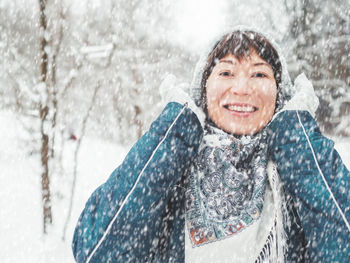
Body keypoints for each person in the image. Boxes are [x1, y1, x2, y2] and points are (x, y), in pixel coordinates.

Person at [72, 27, 350, 263]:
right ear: (203, 90)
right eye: (226, 73)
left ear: (280, 93)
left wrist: (297, 135)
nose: (242, 88)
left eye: (259, 74)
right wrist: (175, 129)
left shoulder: (298, 174)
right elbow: (97, 250)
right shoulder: (172, 166)